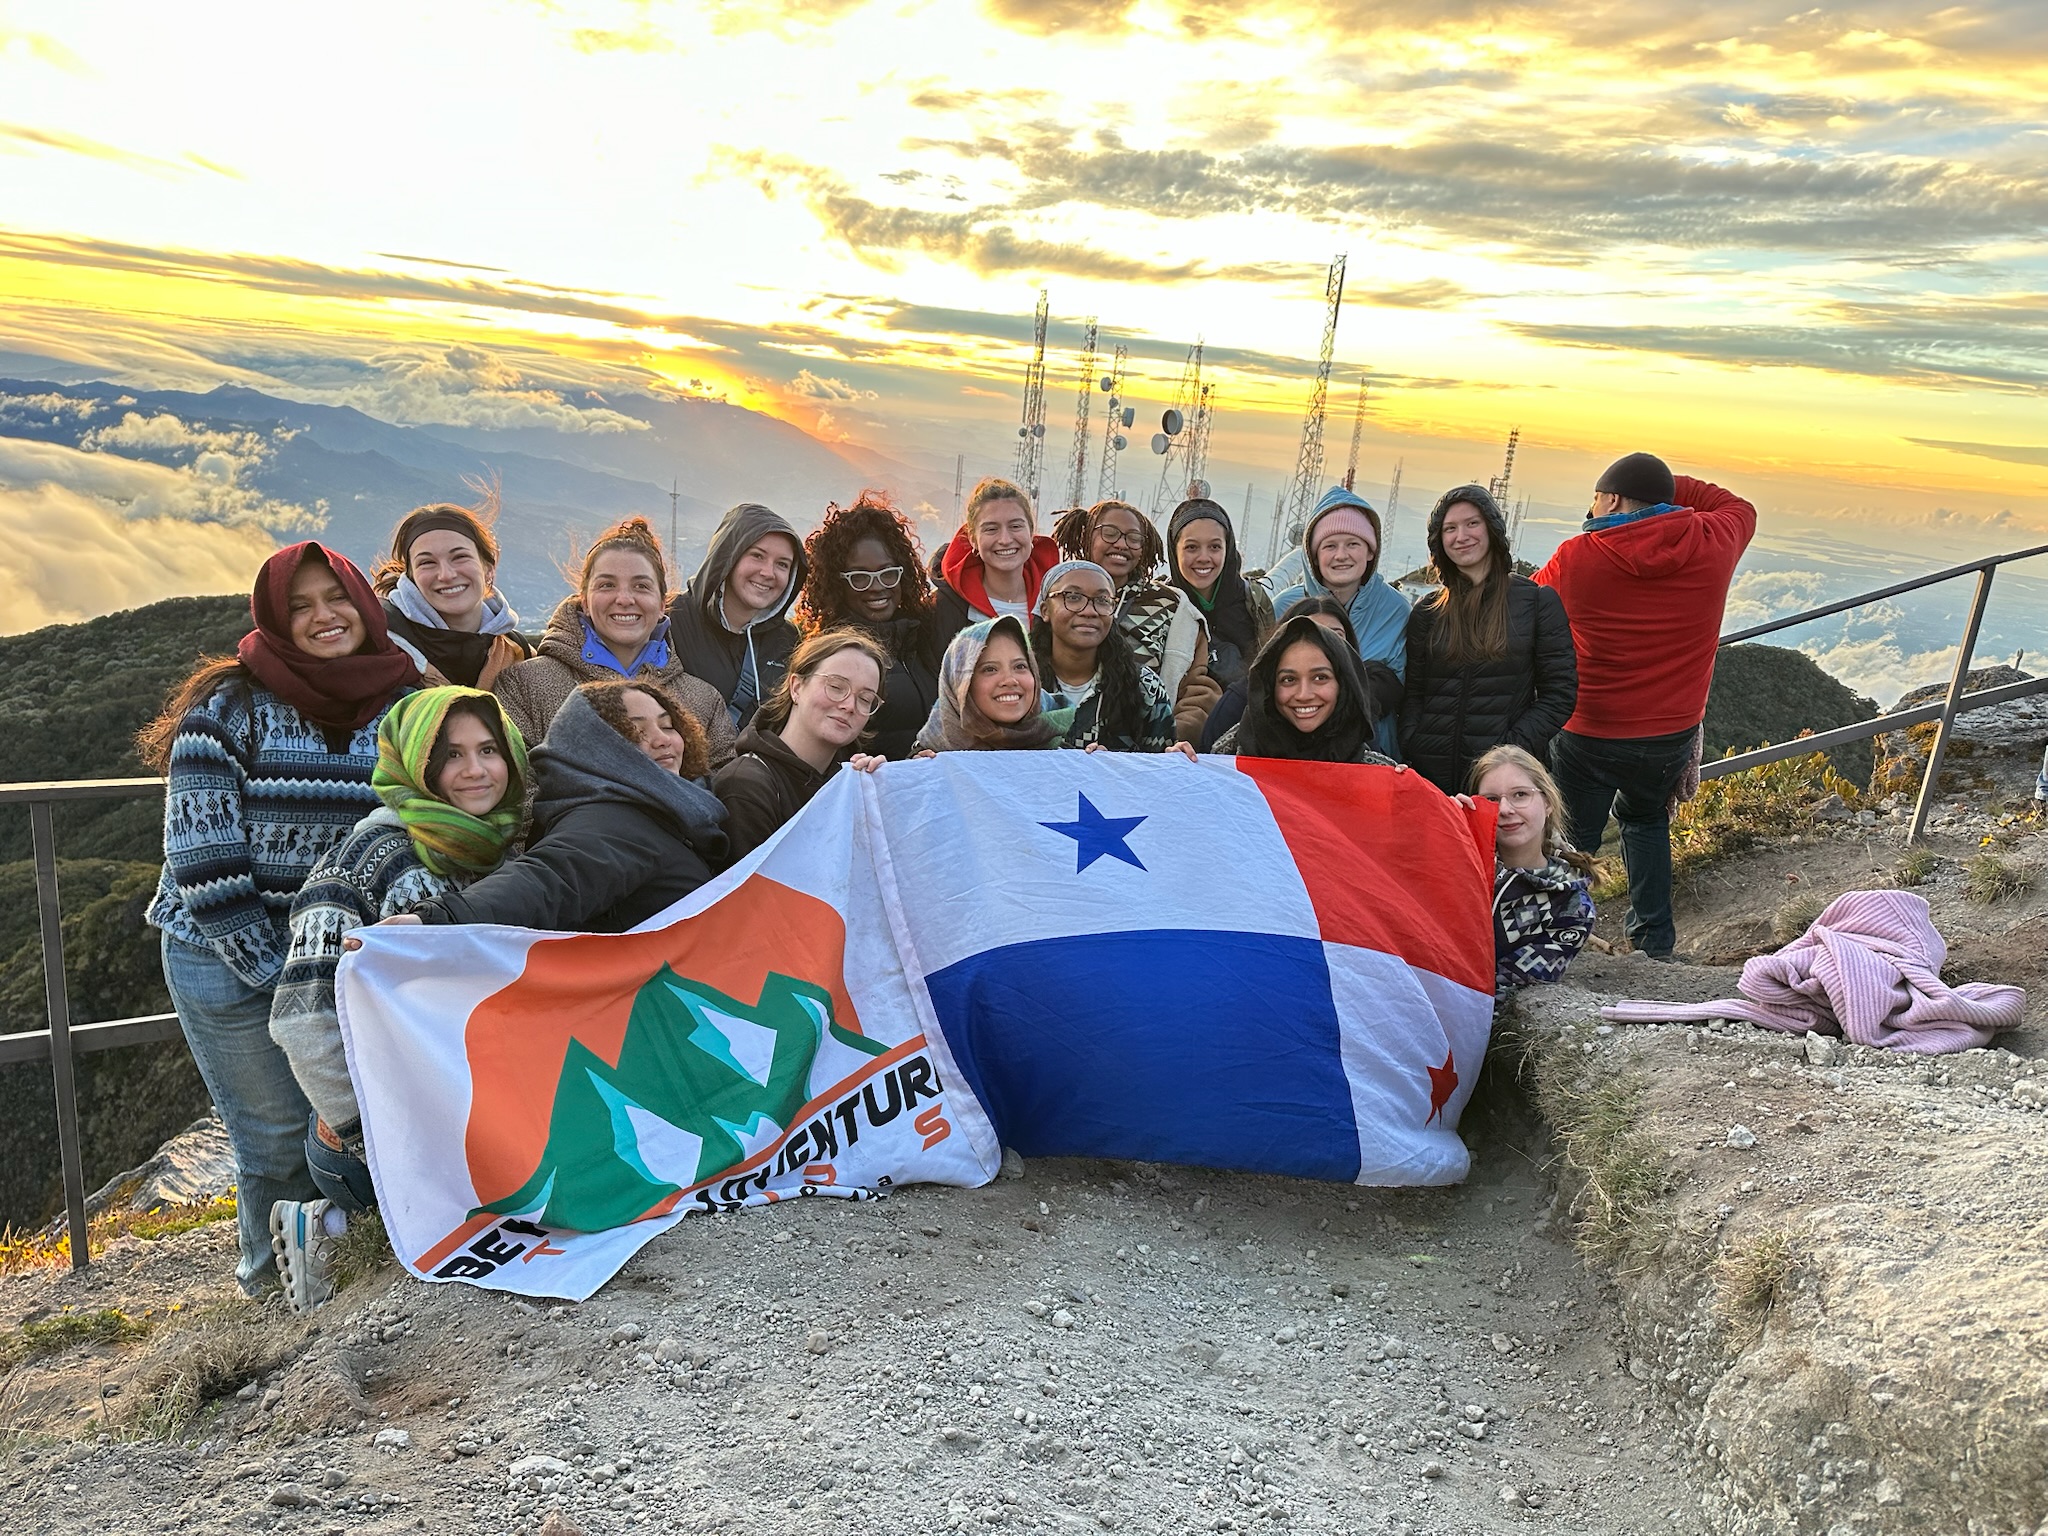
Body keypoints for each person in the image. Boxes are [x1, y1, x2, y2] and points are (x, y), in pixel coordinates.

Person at [139, 541, 417, 1294]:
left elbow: (422, 823)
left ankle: (337, 1274)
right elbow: (205, 865)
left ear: (365, 605)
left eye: (337, 599)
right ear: (275, 618)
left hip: (340, 956)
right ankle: (270, 1289)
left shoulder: (406, 703)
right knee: (272, 1142)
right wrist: (281, 979)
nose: (324, 617)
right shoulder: (227, 709)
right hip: (224, 955)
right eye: (301, 606)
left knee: (350, 1131)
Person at [266, 687, 527, 1312]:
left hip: (478, 1104)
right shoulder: (362, 863)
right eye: (451, 755)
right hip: (380, 1128)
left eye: (489, 750)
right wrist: (379, 1145)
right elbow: (306, 1024)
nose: (475, 770)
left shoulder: (511, 850)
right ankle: (329, 1225)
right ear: (415, 765)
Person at [1534, 453, 1756, 960]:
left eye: (1595, 498)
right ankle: (1654, 943)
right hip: (1670, 733)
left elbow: (1528, 603)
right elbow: (1735, 504)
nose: (1589, 509)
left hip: (1591, 729)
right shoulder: (1714, 542)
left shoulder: (1577, 558)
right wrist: (1662, 490)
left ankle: (1557, 939)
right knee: (1646, 821)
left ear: (1611, 499)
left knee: (1575, 838)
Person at [408, 680, 728, 934]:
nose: (662, 740)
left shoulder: (665, 810)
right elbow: (550, 880)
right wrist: (439, 919)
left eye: (668, 725)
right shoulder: (611, 820)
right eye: (637, 731)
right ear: (597, 748)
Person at [492, 516, 736, 766]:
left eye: (641, 586)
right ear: (585, 601)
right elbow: (517, 788)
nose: (624, 598)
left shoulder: (702, 699)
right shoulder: (525, 685)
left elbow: (724, 790)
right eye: (607, 585)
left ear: (663, 604)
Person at [1400, 485, 1578, 794]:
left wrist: (1511, 747)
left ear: (1492, 529)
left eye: (1472, 523)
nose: (1461, 536)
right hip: (1431, 776)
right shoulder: (1428, 612)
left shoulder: (1536, 603)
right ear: (1439, 541)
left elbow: (1559, 694)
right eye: (1450, 528)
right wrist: (1414, 740)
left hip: (1504, 780)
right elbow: (1414, 693)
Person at [713, 629, 890, 861]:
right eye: (836, 687)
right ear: (796, 687)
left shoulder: (854, 779)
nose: (849, 705)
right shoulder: (745, 785)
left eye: (865, 699)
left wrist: (887, 793)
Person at [1053, 499, 1220, 739]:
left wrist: (1167, 737)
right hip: (1058, 743)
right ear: (1086, 535)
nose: (1121, 544)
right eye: (1109, 533)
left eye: (1134, 538)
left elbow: (1196, 690)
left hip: (1141, 752)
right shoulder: (1058, 593)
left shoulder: (1171, 605)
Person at [793, 493, 942, 759]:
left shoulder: (920, 637)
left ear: (903, 573)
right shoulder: (832, 654)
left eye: (887, 573)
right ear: (838, 584)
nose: (877, 587)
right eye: (860, 577)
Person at [1271, 485, 1412, 756]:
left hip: (1371, 751)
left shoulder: (1395, 609)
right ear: (1314, 555)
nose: (1341, 555)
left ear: (1371, 552)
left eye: (1353, 544)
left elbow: (1403, 685)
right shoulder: (1286, 606)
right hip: (1291, 749)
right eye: (1330, 546)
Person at [670, 502, 809, 731]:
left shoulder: (787, 640)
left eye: (782, 564)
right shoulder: (673, 620)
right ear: (728, 556)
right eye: (757, 556)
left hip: (755, 766)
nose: (768, 572)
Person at [1470, 745, 1596, 996]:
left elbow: (1510, 990)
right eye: (1491, 800)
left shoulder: (1572, 906)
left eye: (1520, 795)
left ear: (1547, 803)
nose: (1505, 809)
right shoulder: (1457, 860)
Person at [1199, 596, 1399, 752]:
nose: (1304, 694)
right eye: (1289, 679)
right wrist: (1183, 762)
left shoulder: (1359, 718)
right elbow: (1205, 778)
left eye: (1335, 637)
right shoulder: (1237, 710)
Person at [371, 500, 532, 689]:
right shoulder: (382, 643)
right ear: (411, 577)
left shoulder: (516, 652)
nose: (446, 575)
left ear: (489, 567)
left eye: (460, 557)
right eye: (427, 563)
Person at [1027, 560, 1178, 753]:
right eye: (1073, 597)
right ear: (1045, 610)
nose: (1089, 611)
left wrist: (1114, 768)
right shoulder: (1023, 684)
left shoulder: (1144, 687)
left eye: (1102, 600)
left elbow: (1163, 770)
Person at [930, 478, 1062, 643]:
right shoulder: (946, 608)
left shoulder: (1056, 600)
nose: (1005, 540)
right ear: (972, 539)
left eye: (1015, 526)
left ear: (1031, 532)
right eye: (991, 529)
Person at [913, 616, 1069, 752]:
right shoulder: (930, 755)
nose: (1010, 680)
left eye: (1020, 666)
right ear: (961, 686)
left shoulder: (1064, 739)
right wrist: (921, 769)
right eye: (990, 669)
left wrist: (1092, 760)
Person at [1167, 496, 1273, 696]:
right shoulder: (1165, 605)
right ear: (1174, 550)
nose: (1204, 558)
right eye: (1191, 547)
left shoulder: (1252, 601)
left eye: (1215, 547)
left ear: (1228, 548)